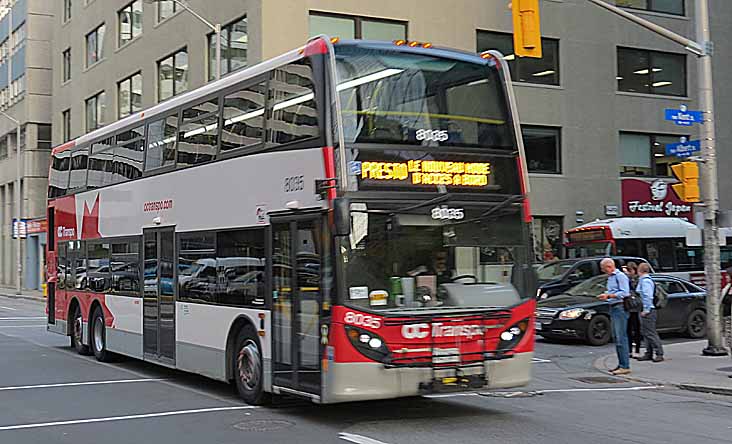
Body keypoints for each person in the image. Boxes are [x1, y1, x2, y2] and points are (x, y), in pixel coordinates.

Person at [598, 258, 631, 375]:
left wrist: (609, 296)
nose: (603, 271)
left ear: (609, 266)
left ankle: (625, 365)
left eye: (603, 269)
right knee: (617, 337)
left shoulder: (620, 276)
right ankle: (621, 364)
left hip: (620, 307)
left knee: (621, 337)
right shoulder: (611, 277)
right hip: (613, 307)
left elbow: (625, 292)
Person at [635, 263, 664, 362]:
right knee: (646, 332)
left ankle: (659, 353)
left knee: (650, 333)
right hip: (645, 309)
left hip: (648, 310)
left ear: (640, 270)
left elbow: (648, 296)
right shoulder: (644, 280)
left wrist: (646, 310)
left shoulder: (646, 281)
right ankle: (649, 353)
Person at [624, 262, 643, 359]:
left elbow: (636, 290)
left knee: (636, 329)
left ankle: (637, 349)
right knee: (628, 329)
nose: (628, 272)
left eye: (630, 270)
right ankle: (629, 349)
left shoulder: (638, 279)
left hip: (636, 308)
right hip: (628, 307)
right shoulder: (626, 279)